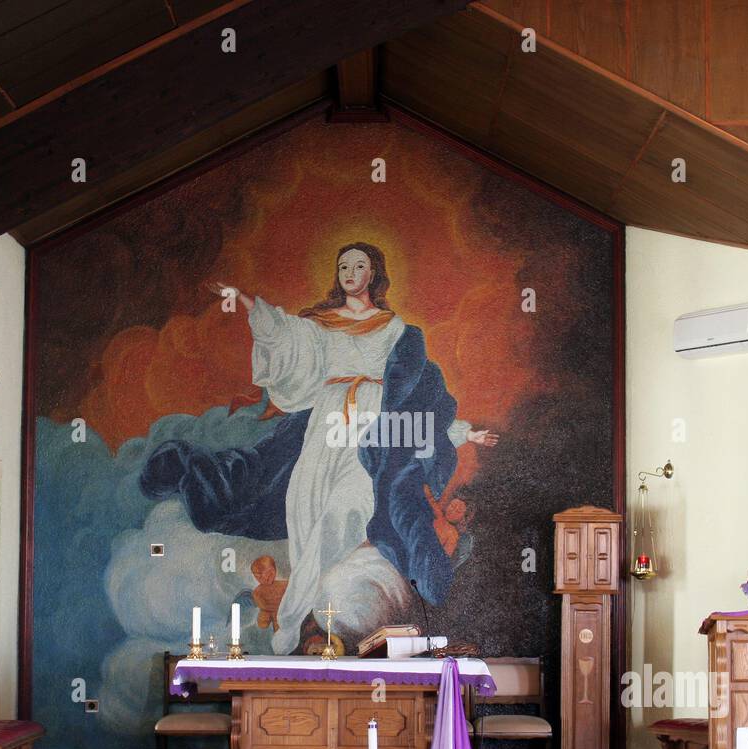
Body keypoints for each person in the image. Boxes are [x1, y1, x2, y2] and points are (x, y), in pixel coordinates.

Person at [140, 242, 498, 652]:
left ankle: (294, 613)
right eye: (343, 265)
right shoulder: (323, 325)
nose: (350, 272)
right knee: (304, 509)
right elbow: (286, 338)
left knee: (344, 508)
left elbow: (419, 396)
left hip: (371, 432)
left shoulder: (395, 328)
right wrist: (244, 301)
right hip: (326, 426)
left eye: (359, 265)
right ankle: (304, 615)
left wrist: (462, 432)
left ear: (373, 274)